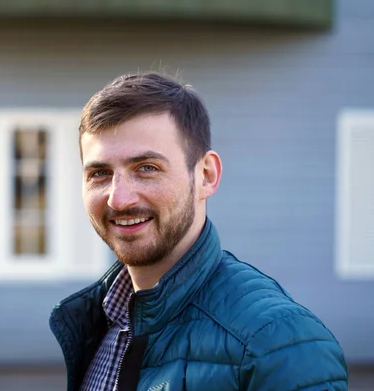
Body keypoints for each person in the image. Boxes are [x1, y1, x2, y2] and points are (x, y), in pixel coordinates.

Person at [49, 72, 348, 391]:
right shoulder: (98, 324)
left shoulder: (277, 342)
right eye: (99, 173)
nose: (119, 198)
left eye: (147, 168)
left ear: (206, 176)